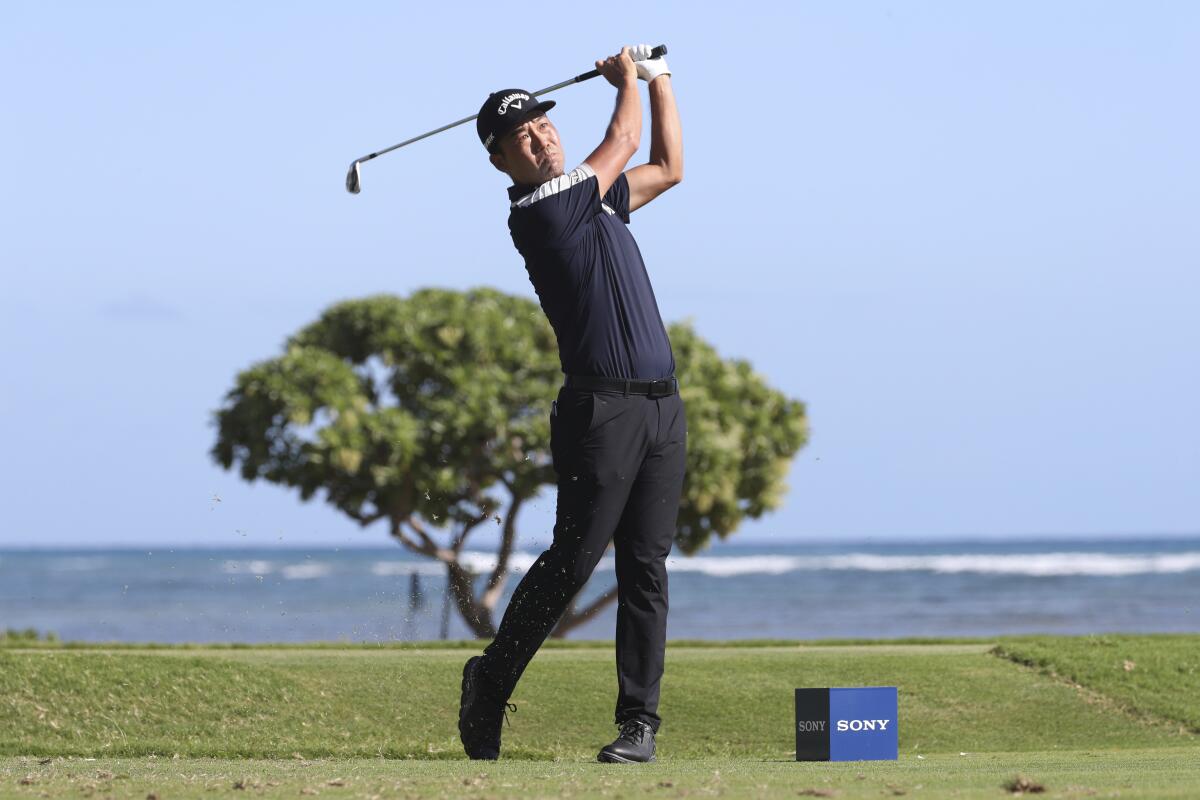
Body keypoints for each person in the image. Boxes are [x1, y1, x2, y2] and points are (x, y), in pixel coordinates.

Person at [458, 44, 685, 764]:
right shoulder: (542, 213)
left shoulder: (594, 202)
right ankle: (490, 681)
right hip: (601, 415)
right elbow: (622, 141)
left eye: (544, 124)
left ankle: (639, 726)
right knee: (572, 563)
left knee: (645, 569)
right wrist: (626, 79)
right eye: (520, 136)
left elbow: (669, 166)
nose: (540, 136)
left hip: (661, 410)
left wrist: (660, 80)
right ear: (500, 161)